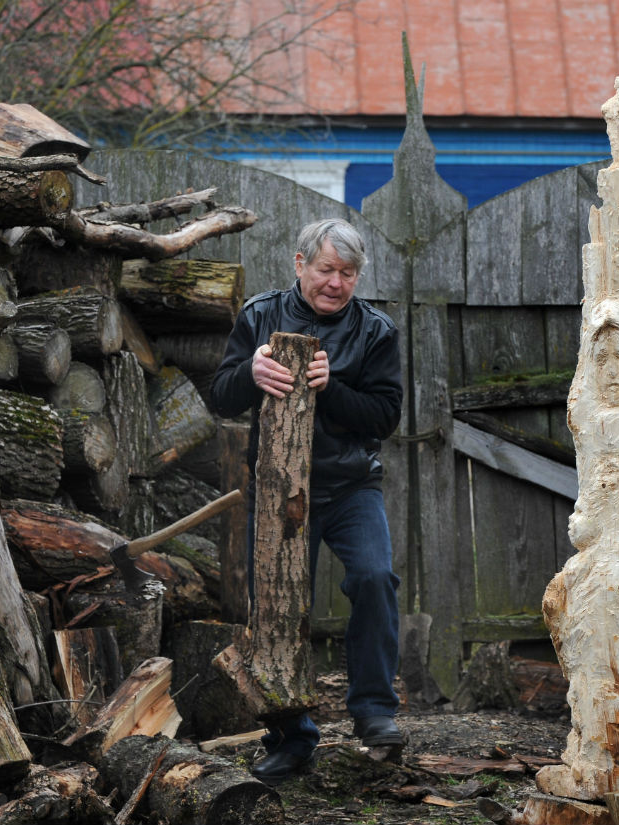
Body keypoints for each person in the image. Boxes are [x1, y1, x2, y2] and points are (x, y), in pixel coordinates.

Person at [210, 218, 405, 786]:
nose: (336, 283)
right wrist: (251, 373)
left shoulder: (375, 331)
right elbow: (221, 398)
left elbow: (385, 419)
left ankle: (375, 713)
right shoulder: (260, 316)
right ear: (300, 265)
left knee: (374, 579)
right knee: (276, 609)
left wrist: (332, 389)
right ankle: (290, 738)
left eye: (347, 274)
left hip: (349, 487)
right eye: (326, 270)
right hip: (276, 490)